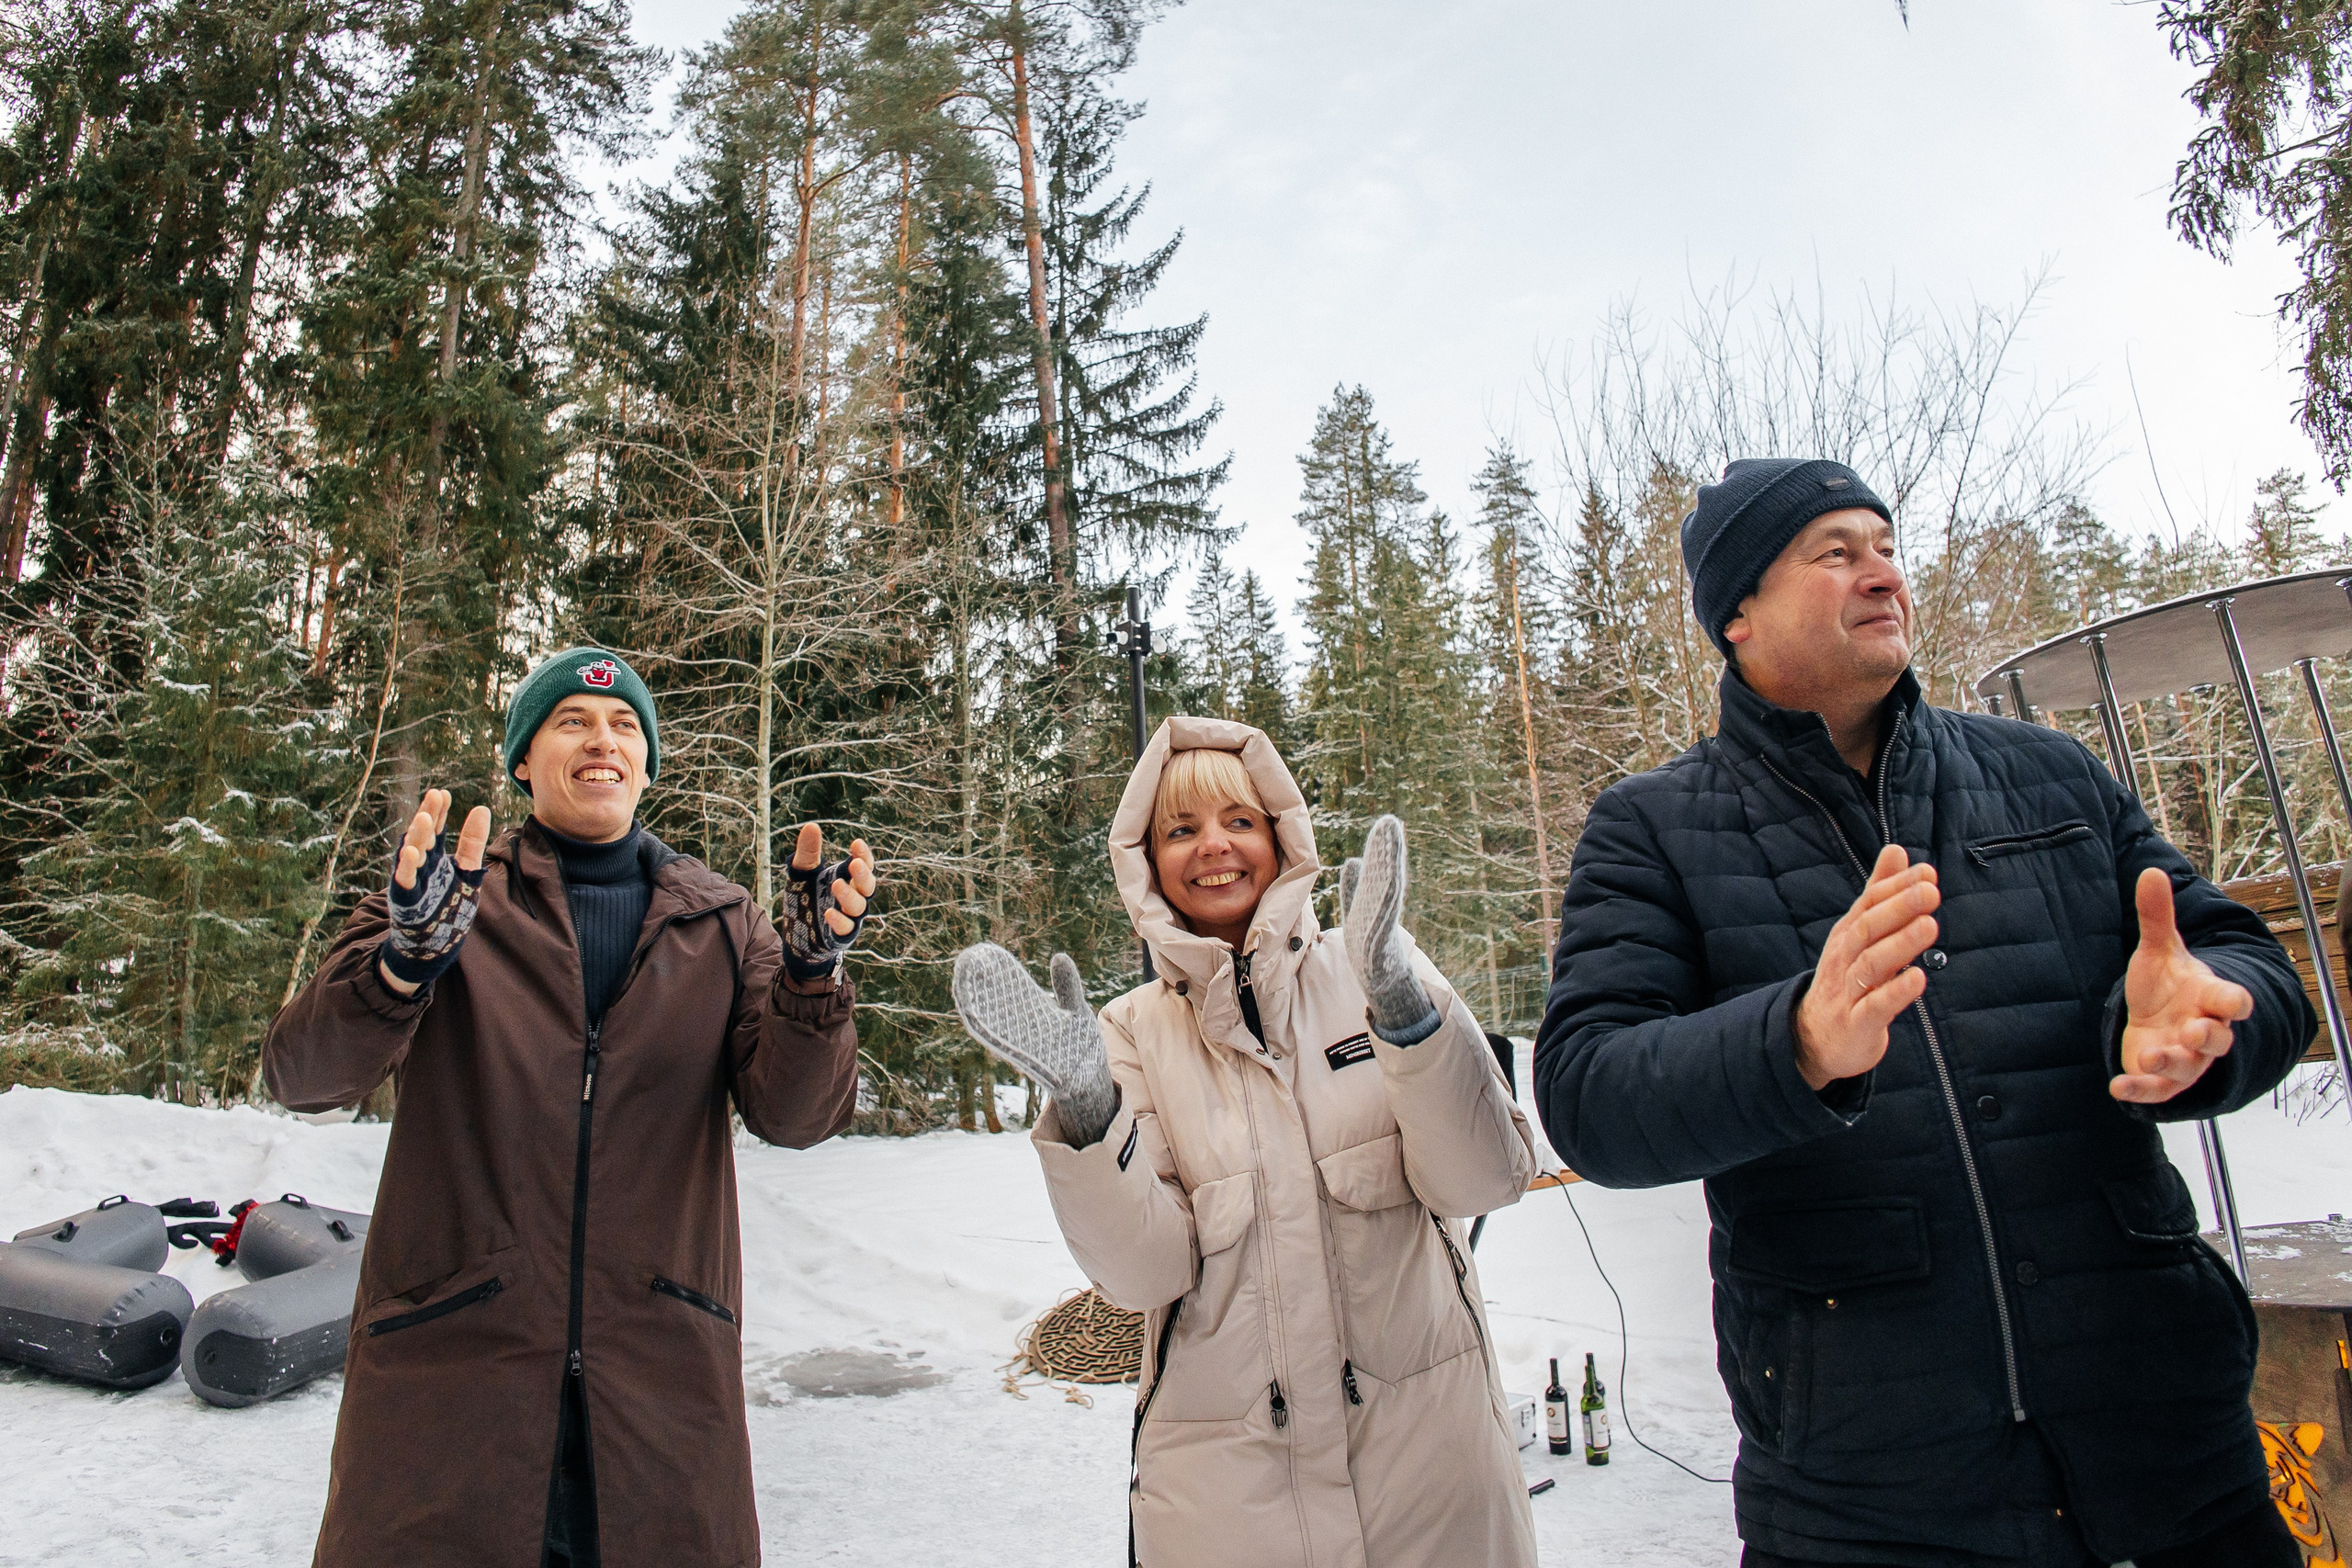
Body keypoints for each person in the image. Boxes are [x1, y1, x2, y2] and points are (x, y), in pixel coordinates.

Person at [1536, 459, 2314, 1568]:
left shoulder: (2047, 774)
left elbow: (2234, 951)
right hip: (1864, 1502)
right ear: (1739, 616)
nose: (1880, 575)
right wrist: (1797, 1043)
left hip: (2172, 1460)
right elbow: (1588, 1096)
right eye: (1834, 552)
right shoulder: (1652, 829)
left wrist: (2210, 1017)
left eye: (1885, 546)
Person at [265, 647, 876, 1568]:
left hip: (658, 1399)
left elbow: (795, 1116)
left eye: (625, 725)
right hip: (454, 1388)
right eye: (572, 721)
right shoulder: (444, 901)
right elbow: (302, 1076)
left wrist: (809, 978)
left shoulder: (725, 924)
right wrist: (399, 966)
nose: (602, 739)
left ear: (647, 764)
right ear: (522, 760)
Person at [952, 716, 1540, 1568]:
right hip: (1226, 1513)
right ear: (1147, 865)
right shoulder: (1131, 1033)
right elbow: (1145, 1273)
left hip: (1433, 1485)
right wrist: (1087, 1108)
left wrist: (1403, 1007)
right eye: (1180, 830)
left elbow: (1484, 1178)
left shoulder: (1374, 964)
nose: (1213, 846)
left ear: (1281, 835)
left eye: (1239, 821)